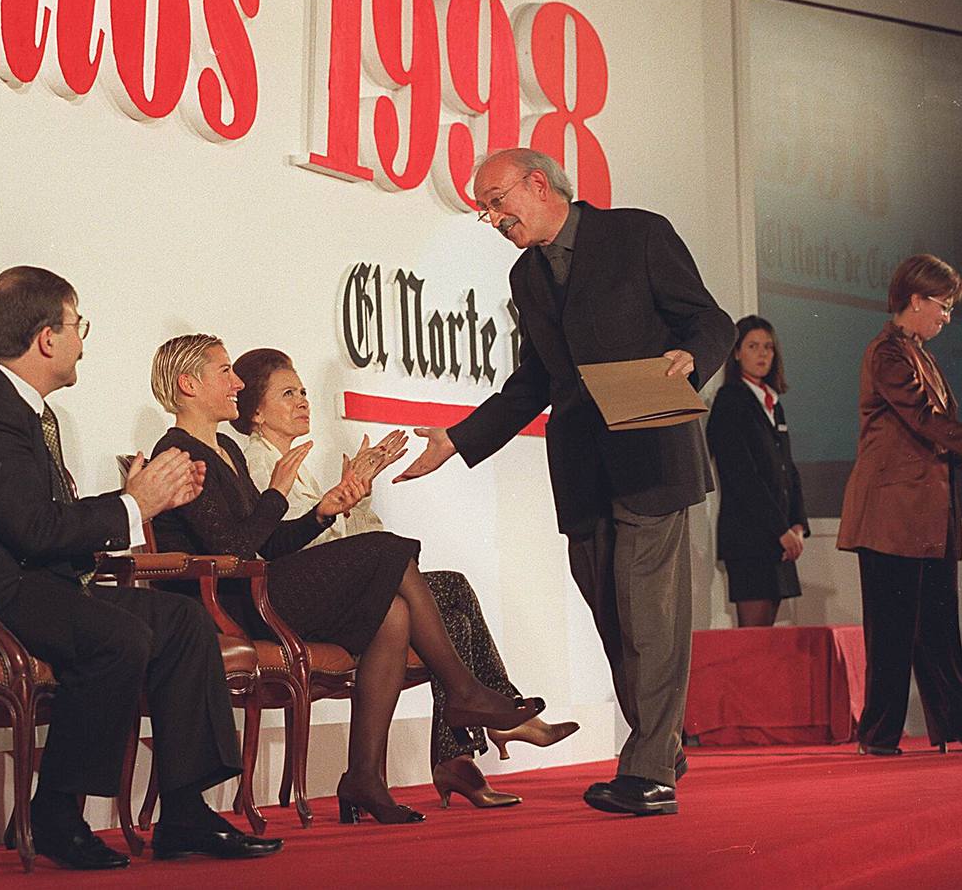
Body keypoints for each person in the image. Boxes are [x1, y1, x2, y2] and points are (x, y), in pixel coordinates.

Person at [0, 266, 282, 869]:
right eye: (79, 325)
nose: (83, 340)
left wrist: (131, 507)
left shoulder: (18, 408)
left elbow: (38, 526)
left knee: (181, 621)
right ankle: (55, 812)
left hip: (22, 586)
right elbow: (32, 530)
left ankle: (184, 811)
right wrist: (134, 505)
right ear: (47, 337)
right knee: (117, 635)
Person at [395, 148, 734, 816]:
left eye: (496, 201)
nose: (491, 218)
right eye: (484, 209)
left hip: (651, 452)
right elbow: (534, 381)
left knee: (650, 616)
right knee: (613, 616)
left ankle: (647, 772)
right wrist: (458, 440)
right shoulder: (527, 275)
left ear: (537, 184)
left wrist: (691, 357)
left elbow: (708, 320)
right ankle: (660, 745)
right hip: (582, 469)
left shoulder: (636, 234)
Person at [147, 334, 545, 826]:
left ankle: (365, 777)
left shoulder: (224, 446)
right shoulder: (179, 451)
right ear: (189, 384)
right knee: (387, 551)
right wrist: (276, 492)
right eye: (225, 372)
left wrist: (321, 512)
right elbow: (233, 550)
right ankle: (464, 691)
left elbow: (266, 544)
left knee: (392, 613)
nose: (236, 383)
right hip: (232, 606)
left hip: (257, 585)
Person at [231, 347, 580, 809]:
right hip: (300, 603)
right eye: (288, 393)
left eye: (304, 391)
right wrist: (341, 503)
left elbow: (352, 546)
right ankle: (477, 726)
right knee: (444, 589)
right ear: (255, 412)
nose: (303, 402)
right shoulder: (260, 466)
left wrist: (355, 496)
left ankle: (459, 746)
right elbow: (304, 553)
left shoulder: (298, 464)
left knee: (445, 600)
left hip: (333, 589)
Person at [837, 253, 962, 756]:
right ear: (915, 299)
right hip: (891, 516)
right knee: (893, 633)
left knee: (938, 627)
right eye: (942, 305)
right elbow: (923, 419)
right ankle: (879, 737)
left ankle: (960, 725)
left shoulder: (917, 351)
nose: (947, 316)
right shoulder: (888, 353)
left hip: (926, 517)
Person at [705, 315, 809, 627]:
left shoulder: (773, 403)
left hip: (779, 537)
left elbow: (788, 470)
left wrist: (797, 524)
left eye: (768, 347)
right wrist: (781, 529)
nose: (762, 354)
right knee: (754, 641)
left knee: (769, 643)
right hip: (750, 537)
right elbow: (740, 475)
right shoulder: (730, 401)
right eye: (753, 346)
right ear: (736, 353)